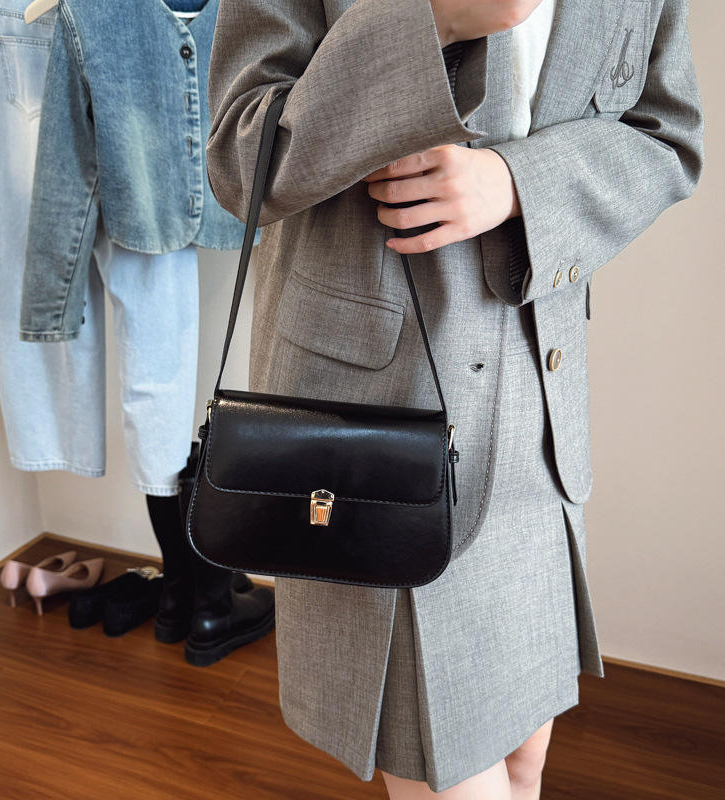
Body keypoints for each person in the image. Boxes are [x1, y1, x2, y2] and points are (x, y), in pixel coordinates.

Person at [204, 0, 704, 797]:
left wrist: (516, 183)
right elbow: (241, 161)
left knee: (524, 760)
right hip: (383, 430)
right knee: (450, 773)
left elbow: (666, 138)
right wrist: (431, 21)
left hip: (541, 419)